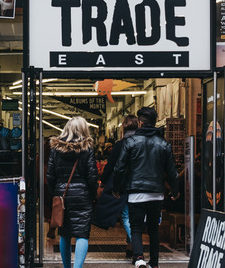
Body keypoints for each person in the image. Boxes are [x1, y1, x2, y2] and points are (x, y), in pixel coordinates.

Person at [113, 107, 179, 268]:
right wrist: (175, 191)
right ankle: (154, 263)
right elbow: (173, 172)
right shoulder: (164, 144)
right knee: (153, 230)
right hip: (156, 194)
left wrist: (116, 187)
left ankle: (139, 258)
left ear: (140, 123)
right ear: (155, 122)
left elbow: (119, 168)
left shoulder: (131, 142)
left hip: (136, 193)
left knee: (136, 228)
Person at [46, 116, 99, 268]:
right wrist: (93, 193)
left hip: (62, 196)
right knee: (82, 234)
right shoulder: (87, 149)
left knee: (64, 233)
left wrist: (55, 192)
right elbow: (92, 175)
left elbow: (50, 175)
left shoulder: (56, 150)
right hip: (83, 197)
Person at [96, 114, 139, 258]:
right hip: (140, 184)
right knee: (134, 215)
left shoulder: (120, 145)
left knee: (126, 215)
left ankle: (136, 245)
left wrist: (103, 181)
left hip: (123, 185)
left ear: (123, 128)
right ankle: (131, 246)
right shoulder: (142, 143)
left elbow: (111, 165)